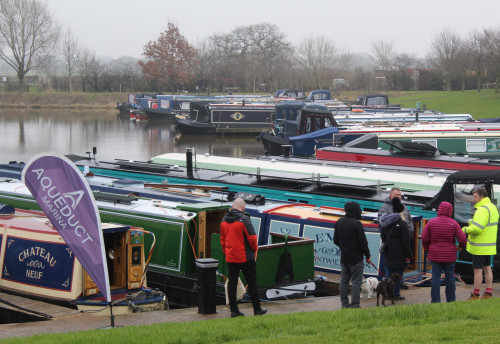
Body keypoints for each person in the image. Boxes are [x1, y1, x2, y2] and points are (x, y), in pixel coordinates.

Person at [220, 198, 267, 317]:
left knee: (232, 283)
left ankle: (234, 311)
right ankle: (257, 309)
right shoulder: (244, 219)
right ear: (243, 207)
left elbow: (222, 240)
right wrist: (254, 249)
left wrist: (227, 252)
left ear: (232, 206)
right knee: (252, 282)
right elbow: (252, 238)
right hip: (245, 257)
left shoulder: (224, 220)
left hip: (231, 257)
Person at [422, 201, 467, 303]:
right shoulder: (454, 223)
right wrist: (460, 247)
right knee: (450, 278)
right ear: (450, 211)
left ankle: (435, 301)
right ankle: (451, 300)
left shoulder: (431, 222)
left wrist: (428, 249)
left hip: (435, 255)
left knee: (435, 278)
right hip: (450, 256)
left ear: (439, 210)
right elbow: (462, 238)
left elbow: (424, 238)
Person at [462, 187, 499, 300]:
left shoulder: (482, 209)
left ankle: (475, 294)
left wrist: (465, 229)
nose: (474, 199)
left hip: (479, 246)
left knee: (477, 271)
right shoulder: (493, 207)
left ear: (482, 196)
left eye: (475, 196)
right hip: (489, 245)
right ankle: (488, 293)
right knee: (488, 269)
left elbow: (477, 229)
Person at [334, 201, 371, 308]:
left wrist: (344, 247)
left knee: (344, 282)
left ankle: (344, 304)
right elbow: (363, 242)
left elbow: (336, 240)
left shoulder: (339, 222)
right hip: (356, 258)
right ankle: (355, 304)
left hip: (344, 257)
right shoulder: (357, 223)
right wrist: (367, 255)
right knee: (356, 282)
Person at [379, 197, 412, 301]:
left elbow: (383, 237)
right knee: (397, 275)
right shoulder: (402, 224)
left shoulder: (385, 223)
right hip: (399, 253)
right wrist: (408, 255)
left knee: (388, 274)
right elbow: (406, 241)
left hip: (389, 251)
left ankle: (387, 294)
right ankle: (396, 294)